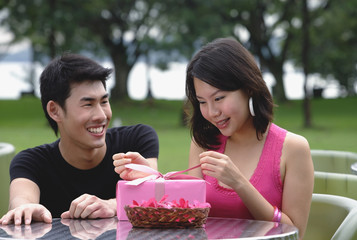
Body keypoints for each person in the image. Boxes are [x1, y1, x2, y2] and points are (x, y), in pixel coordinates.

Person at [0, 53, 159, 225]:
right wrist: (26, 208)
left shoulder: (136, 141)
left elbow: (155, 195)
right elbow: (21, 200)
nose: (101, 115)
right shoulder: (31, 162)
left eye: (104, 102)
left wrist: (112, 205)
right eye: (88, 104)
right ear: (55, 110)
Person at [185, 38, 314, 239]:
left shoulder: (293, 149)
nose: (212, 112)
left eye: (219, 98)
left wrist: (240, 184)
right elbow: (190, 221)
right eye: (202, 102)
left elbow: (295, 234)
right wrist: (151, 179)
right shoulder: (203, 144)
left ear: (249, 88)